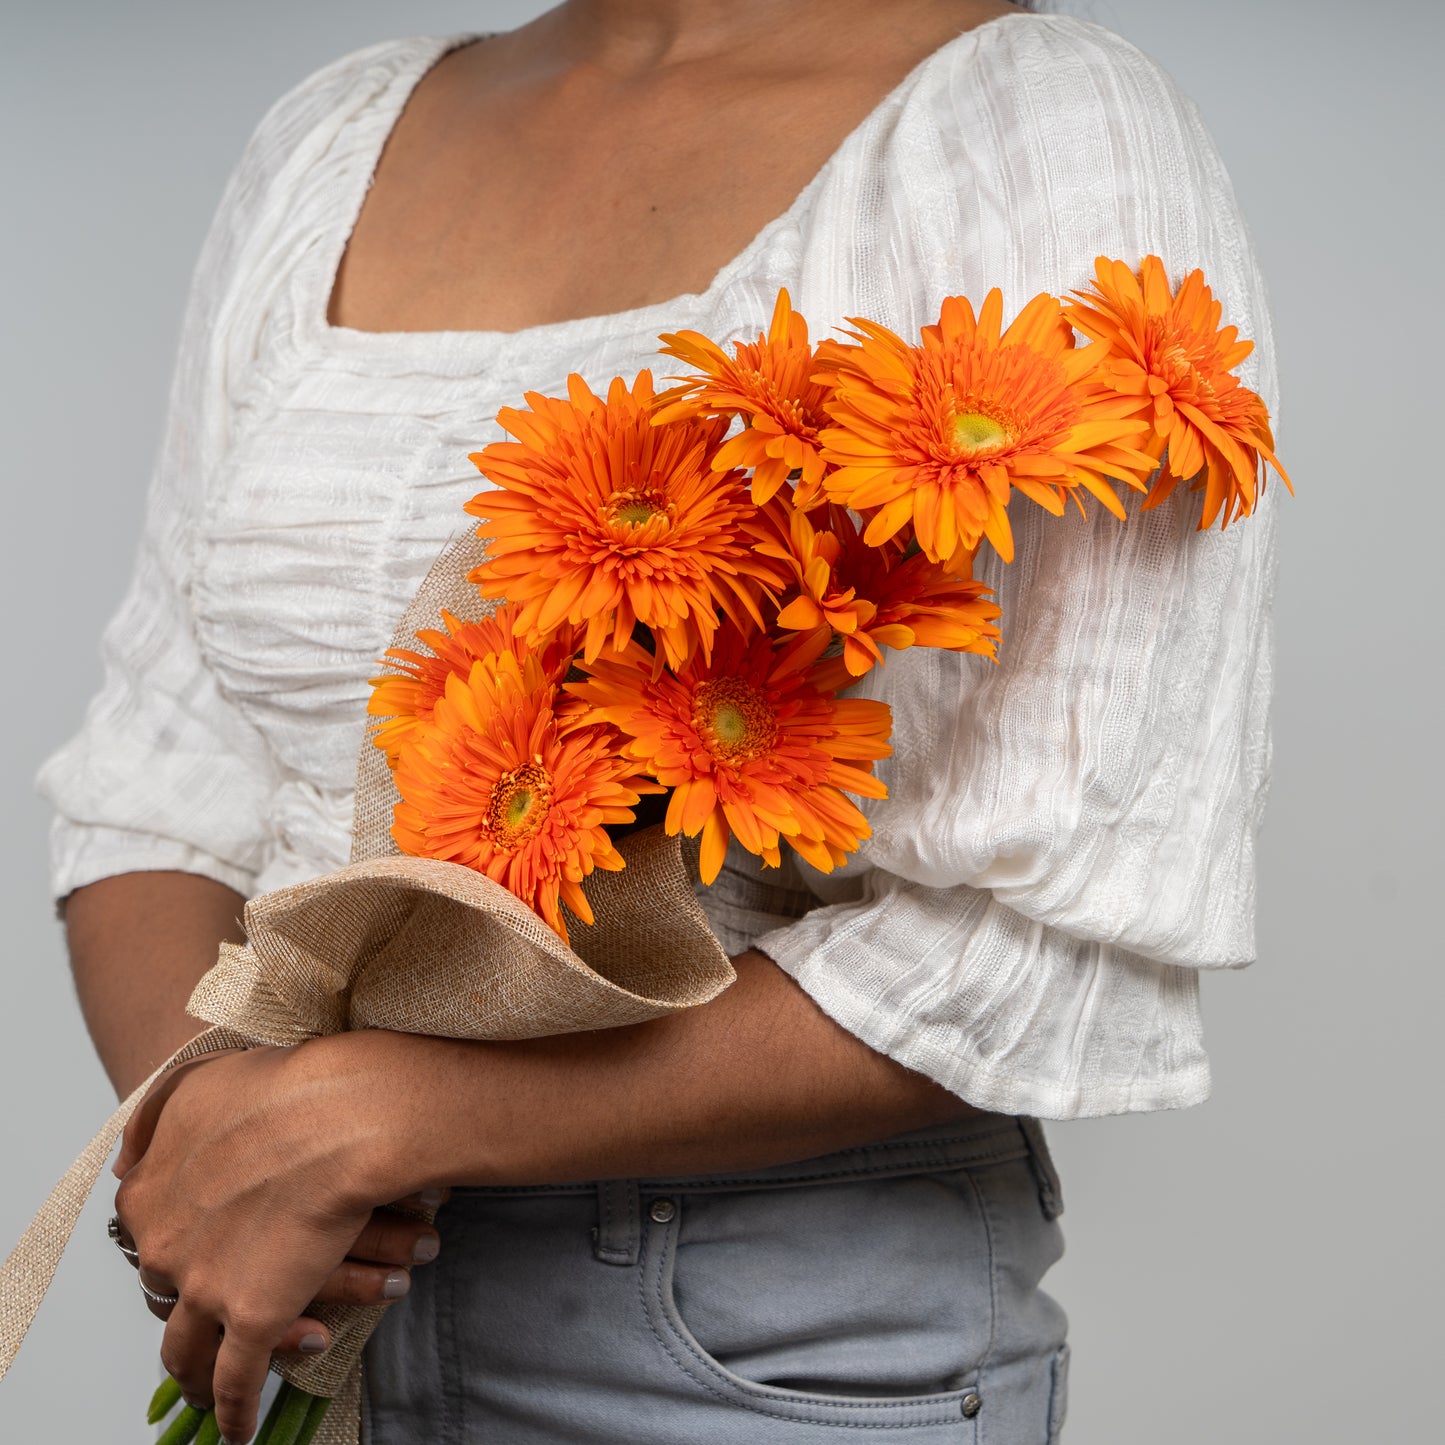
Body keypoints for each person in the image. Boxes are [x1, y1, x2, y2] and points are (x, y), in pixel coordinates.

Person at [37, 1, 1280, 1441]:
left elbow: (1047, 933)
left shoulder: (1038, 125)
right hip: (314, 1304)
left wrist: (385, 1115)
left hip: (754, 1344)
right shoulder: (333, 138)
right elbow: (161, 765)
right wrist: (216, 1129)